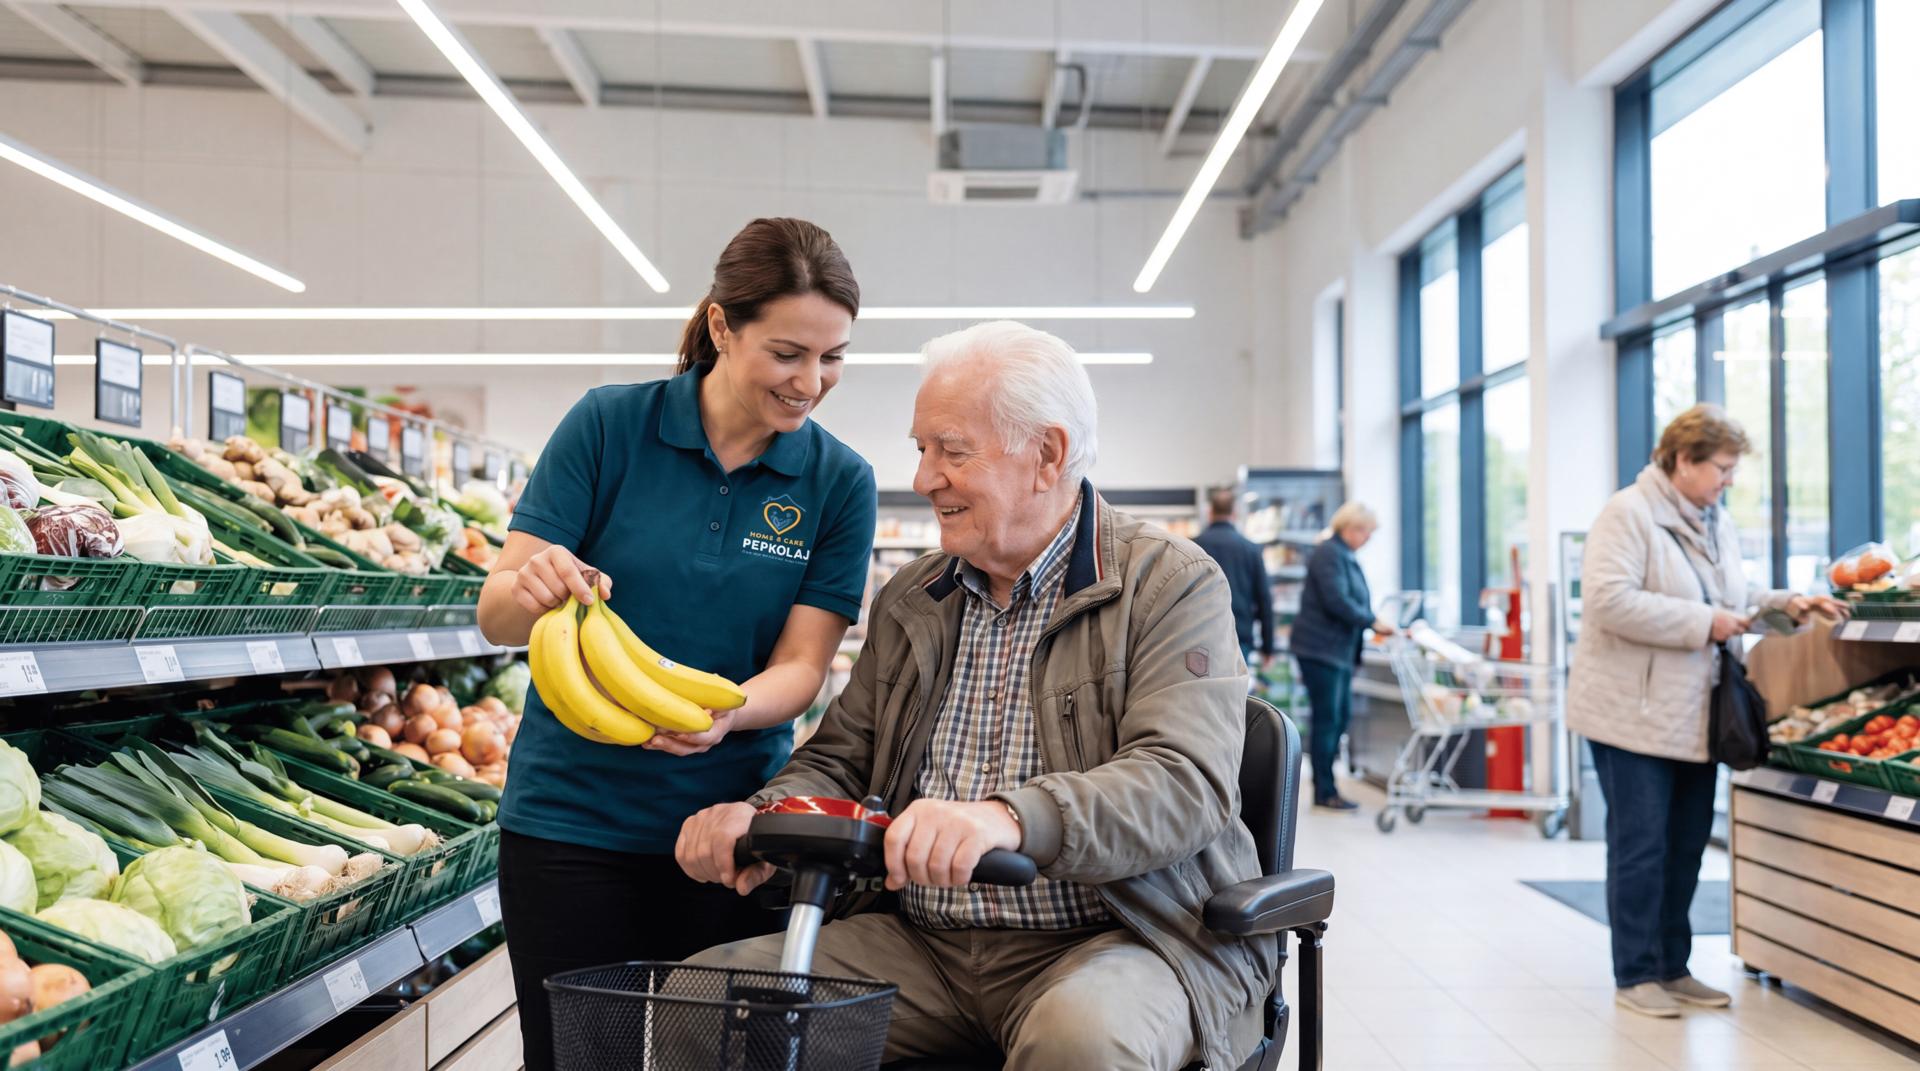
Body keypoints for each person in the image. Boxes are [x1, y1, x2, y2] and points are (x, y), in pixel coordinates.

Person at [676, 321, 1275, 1071]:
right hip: (923, 942)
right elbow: (840, 758)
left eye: (951, 451)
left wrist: (1008, 820)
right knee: (704, 1003)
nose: (926, 477)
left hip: (1124, 936)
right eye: (921, 449)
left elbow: (1183, 780)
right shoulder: (913, 596)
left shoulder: (1167, 581)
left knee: (1080, 1043)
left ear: (1046, 455)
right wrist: (763, 814)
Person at [476, 218, 878, 1070]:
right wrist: (535, 584)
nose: (811, 381)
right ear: (723, 327)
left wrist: (723, 718)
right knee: (577, 1061)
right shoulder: (608, 426)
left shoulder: (840, 482)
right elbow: (498, 616)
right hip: (569, 827)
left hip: (730, 835)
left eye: (833, 356)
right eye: (788, 352)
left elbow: (802, 668)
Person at [1569, 404, 1845, 1019]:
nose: (1728, 480)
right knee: (1641, 846)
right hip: (1630, 715)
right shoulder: (1628, 514)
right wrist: (1705, 623)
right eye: (1721, 467)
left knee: (1688, 843)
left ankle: (1673, 965)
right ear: (1683, 460)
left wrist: (1786, 602)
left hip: (1695, 712)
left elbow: (1731, 596)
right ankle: (1636, 973)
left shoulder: (1711, 519)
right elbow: (1610, 602)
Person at [1289, 501, 1395, 810]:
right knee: (1329, 719)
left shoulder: (1343, 555)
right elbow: (1336, 600)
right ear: (1351, 528)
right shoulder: (1329, 554)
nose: (1369, 539)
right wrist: (1371, 620)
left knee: (1338, 717)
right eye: (1367, 533)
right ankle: (1324, 790)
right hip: (1321, 650)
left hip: (1338, 652)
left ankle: (1327, 787)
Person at [1194, 486, 1277, 676]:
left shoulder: (1193, 545)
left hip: (1199, 635)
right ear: (1235, 513)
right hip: (1239, 636)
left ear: (1210, 512)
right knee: (1236, 697)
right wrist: (1268, 647)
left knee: (1202, 698)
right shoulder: (1251, 550)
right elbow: (1264, 600)